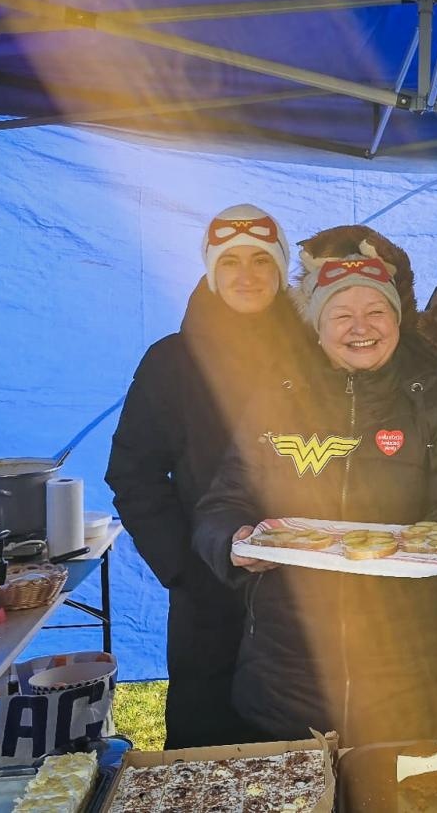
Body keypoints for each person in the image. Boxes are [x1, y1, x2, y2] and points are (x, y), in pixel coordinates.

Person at [193, 227, 437, 747]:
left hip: (408, 667)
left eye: (376, 311)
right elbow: (222, 503)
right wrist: (232, 542)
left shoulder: (435, 402)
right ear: (317, 325)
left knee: (402, 786)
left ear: (396, 319)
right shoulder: (277, 398)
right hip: (288, 668)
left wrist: (414, 555)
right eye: (341, 315)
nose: (361, 328)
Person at [105, 204, 304, 748]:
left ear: (281, 269)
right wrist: (187, 567)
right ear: (211, 272)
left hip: (304, 593)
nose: (246, 275)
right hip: (210, 591)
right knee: (206, 750)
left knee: (301, 750)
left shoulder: (316, 357)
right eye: (230, 261)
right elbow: (133, 473)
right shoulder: (171, 362)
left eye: (261, 260)